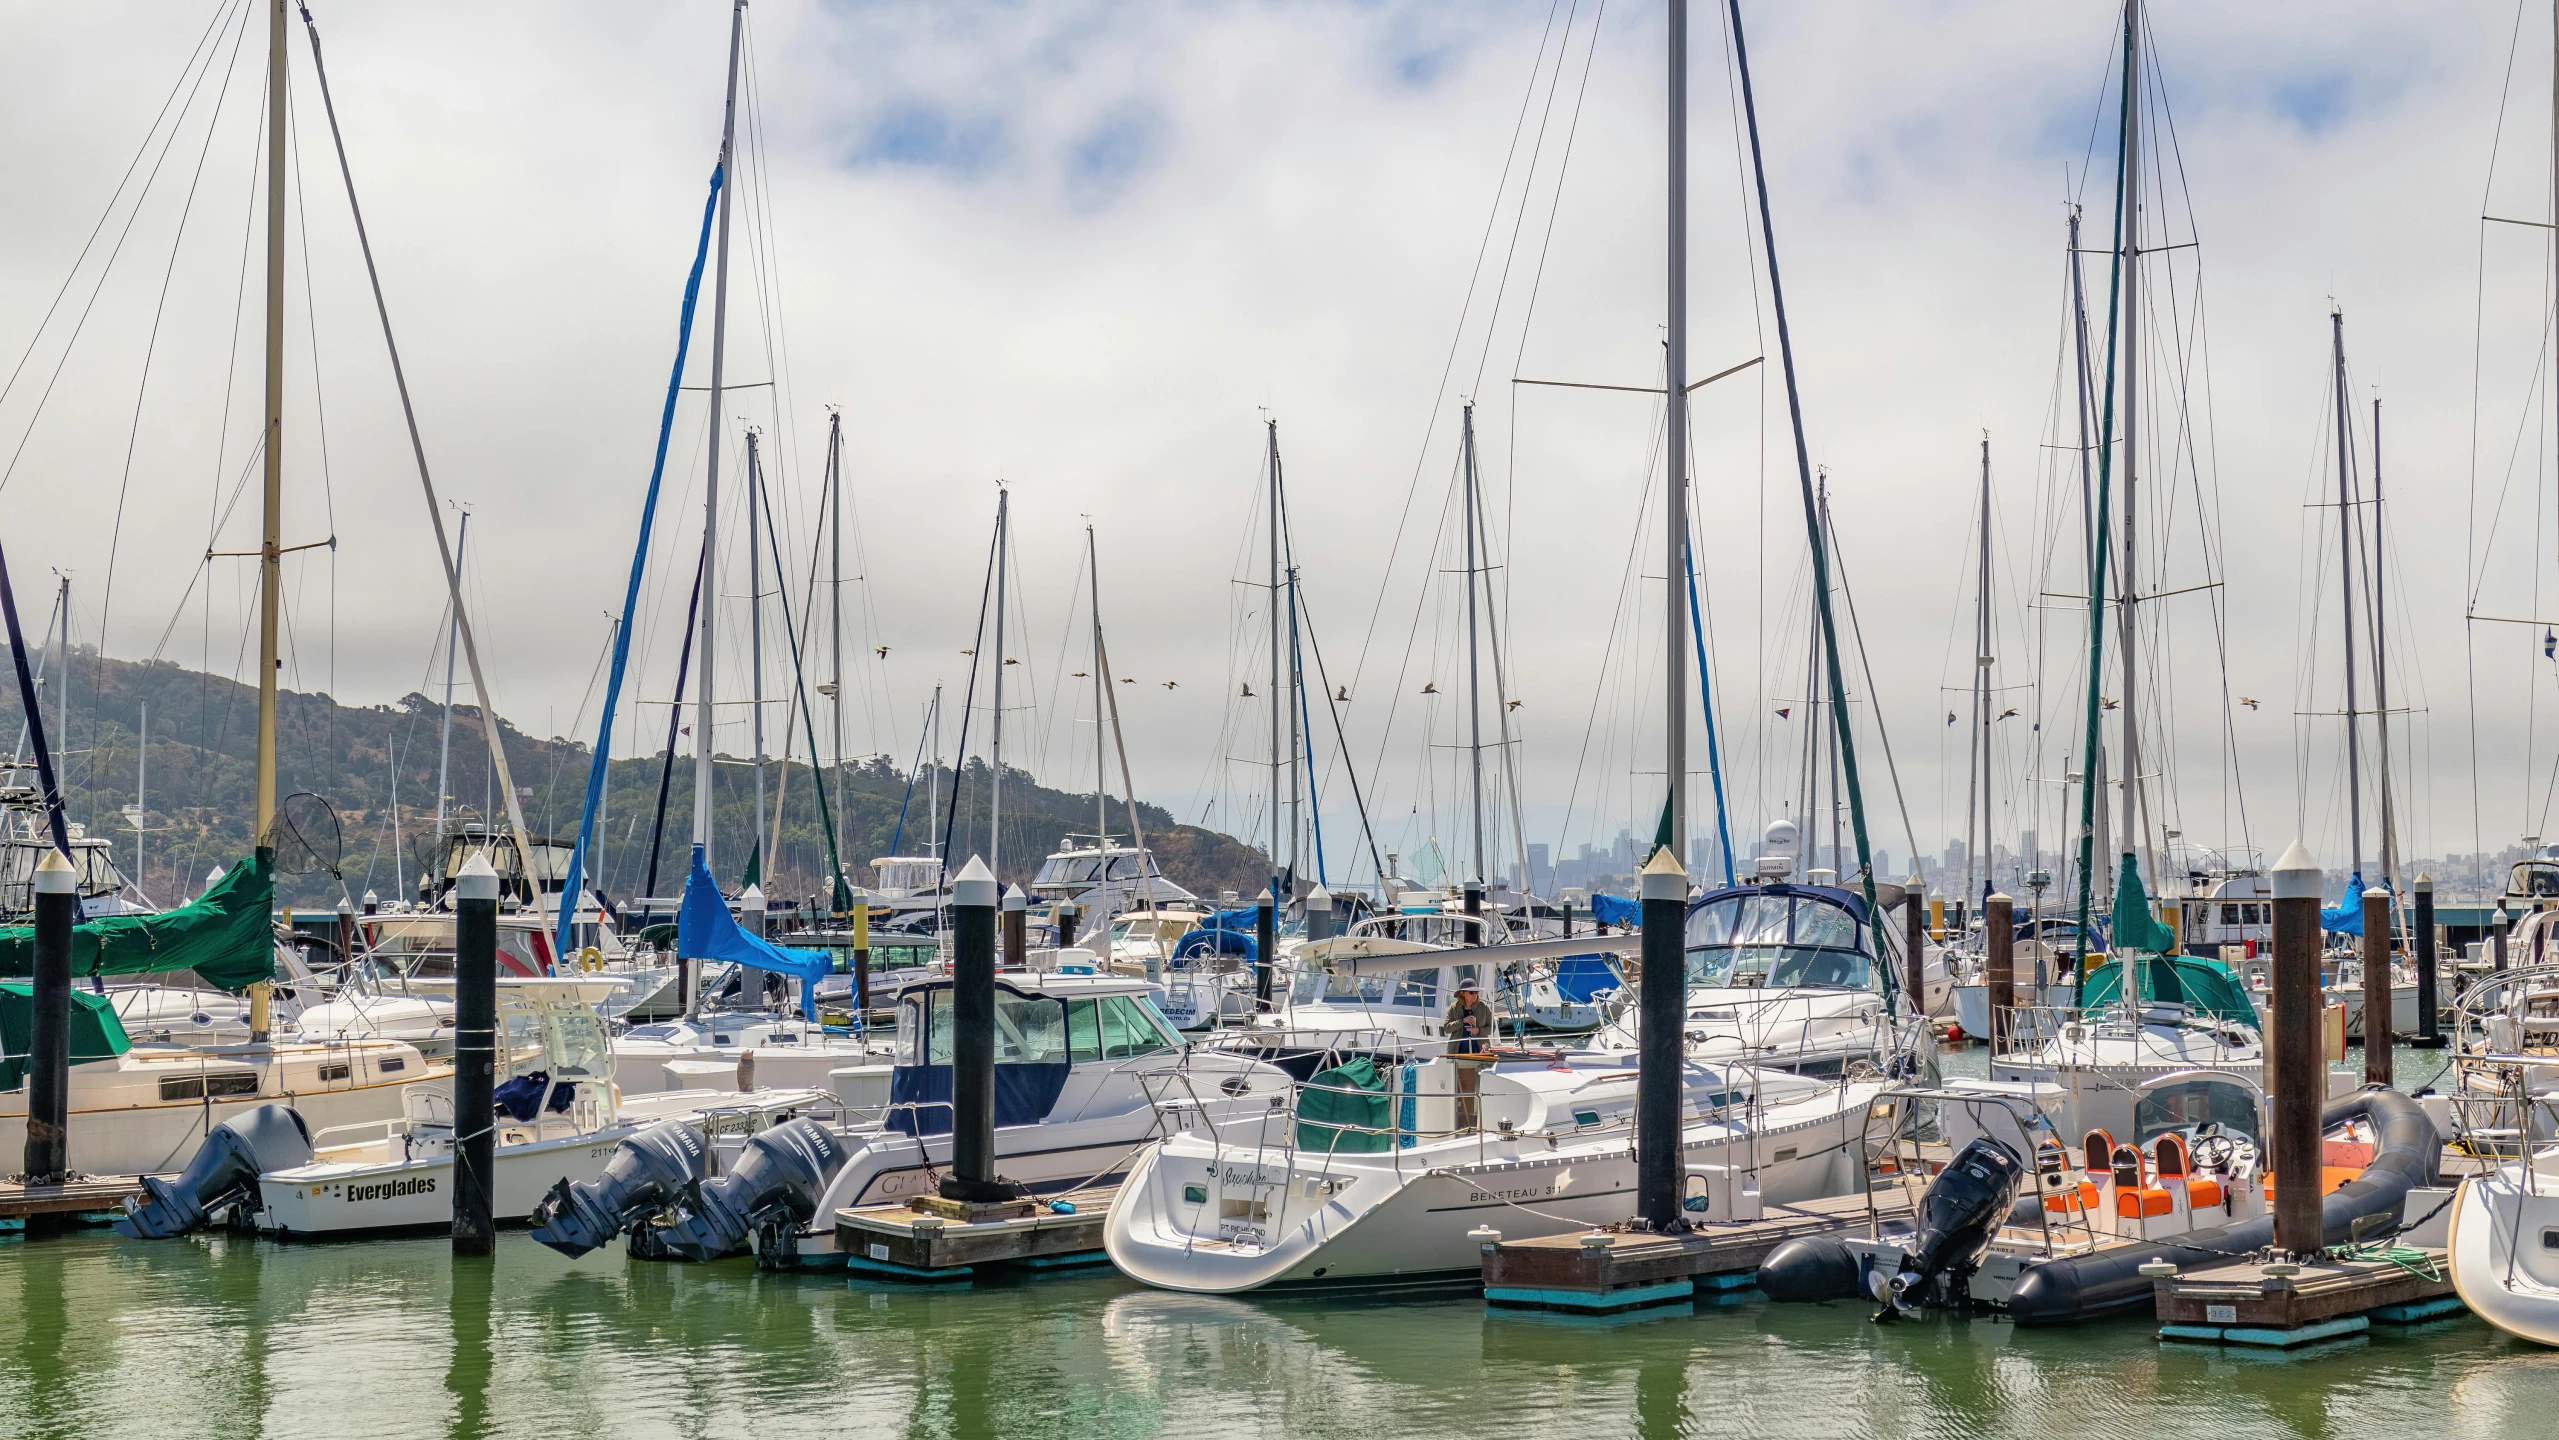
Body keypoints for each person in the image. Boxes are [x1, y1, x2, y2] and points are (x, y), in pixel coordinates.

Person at [1444, 975, 1495, 1132]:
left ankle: (1476, 1119)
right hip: (1459, 1051)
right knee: (1461, 1086)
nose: (1474, 995)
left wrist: (1478, 1030)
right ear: (1463, 993)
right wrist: (1463, 1022)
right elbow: (1446, 1028)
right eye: (1471, 992)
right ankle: (1462, 1119)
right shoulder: (1454, 1008)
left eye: (1475, 993)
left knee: (1477, 1084)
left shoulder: (1483, 1008)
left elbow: (1491, 1028)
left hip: (1479, 1051)